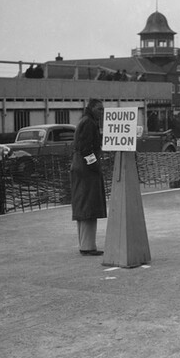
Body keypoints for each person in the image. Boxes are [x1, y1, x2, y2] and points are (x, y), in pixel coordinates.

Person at [70, 98, 107, 256]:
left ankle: (85, 244)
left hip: (79, 168)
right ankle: (88, 246)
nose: (102, 112)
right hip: (86, 170)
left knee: (83, 206)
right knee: (89, 206)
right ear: (91, 108)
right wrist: (95, 166)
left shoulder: (85, 121)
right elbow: (86, 148)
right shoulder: (89, 123)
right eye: (99, 109)